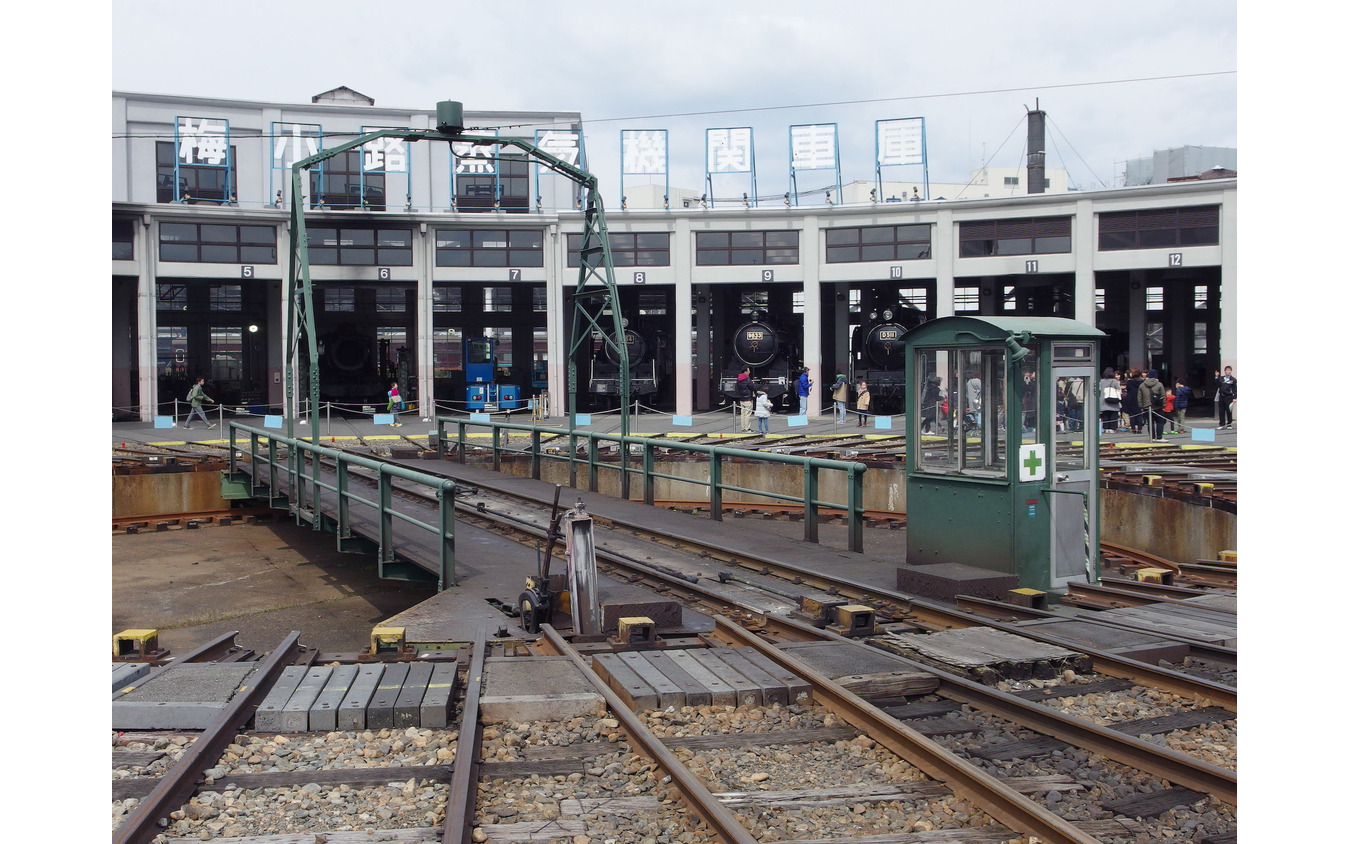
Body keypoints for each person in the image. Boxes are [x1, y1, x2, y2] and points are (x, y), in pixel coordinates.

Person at [1137, 369, 1166, 441]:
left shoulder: (1142, 385)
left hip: (1147, 407)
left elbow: (1139, 397)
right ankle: (1159, 437)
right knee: (1160, 422)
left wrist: (1141, 406)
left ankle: (1152, 437)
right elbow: (1163, 396)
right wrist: (1163, 405)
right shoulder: (1159, 384)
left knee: (1150, 423)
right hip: (1157, 406)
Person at [1098, 367, 1120, 434]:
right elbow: (1118, 390)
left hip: (1104, 401)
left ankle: (1106, 428)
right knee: (1113, 416)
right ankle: (1113, 428)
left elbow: (1099, 390)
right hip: (1114, 402)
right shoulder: (1115, 381)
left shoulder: (1101, 381)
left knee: (1105, 416)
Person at [1122, 369, 1144, 434]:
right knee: (1139, 414)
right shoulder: (1142, 382)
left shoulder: (1129, 382)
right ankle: (1139, 429)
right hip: (1139, 398)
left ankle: (1133, 428)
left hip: (1131, 398)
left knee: (1132, 415)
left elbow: (1128, 389)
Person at [735, 367, 754, 432]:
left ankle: (743, 427)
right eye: (748, 371)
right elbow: (752, 387)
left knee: (743, 414)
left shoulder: (738, 378)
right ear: (745, 372)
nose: (749, 372)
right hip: (748, 398)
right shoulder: (747, 379)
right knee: (747, 413)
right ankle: (747, 428)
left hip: (742, 398)